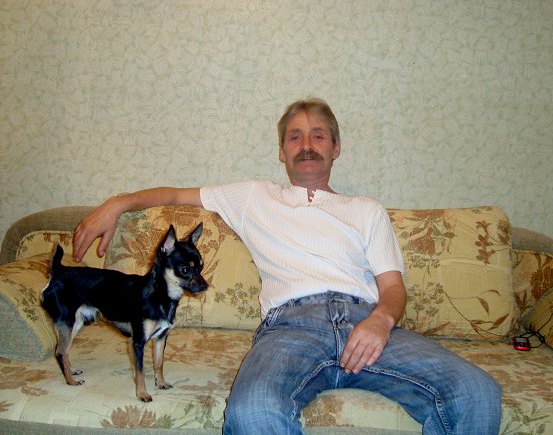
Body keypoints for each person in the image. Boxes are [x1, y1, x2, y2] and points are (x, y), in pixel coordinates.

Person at [73, 98, 502, 434]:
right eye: (295, 137)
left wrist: (380, 321)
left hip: (367, 324)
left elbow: (393, 288)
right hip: (291, 328)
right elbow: (174, 195)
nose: (306, 145)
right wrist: (116, 204)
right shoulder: (254, 196)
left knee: (477, 392)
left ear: (335, 148)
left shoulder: (366, 209)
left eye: (318, 136)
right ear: (282, 151)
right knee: (253, 409)